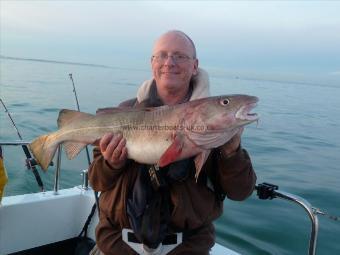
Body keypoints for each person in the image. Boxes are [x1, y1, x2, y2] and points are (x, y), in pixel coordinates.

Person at [89, 30, 256, 255]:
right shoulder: (124, 112)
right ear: (152, 63)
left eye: (180, 56)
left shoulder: (217, 124)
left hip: (186, 249)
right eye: (162, 55)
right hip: (116, 245)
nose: (170, 62)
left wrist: (232, 151)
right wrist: (111, 163)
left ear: (195, 65)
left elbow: (240, 192)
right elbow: (96, 182)